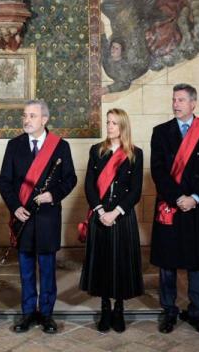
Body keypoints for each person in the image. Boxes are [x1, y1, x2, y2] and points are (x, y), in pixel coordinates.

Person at [0, 100, 77, 334]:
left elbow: (70, 179)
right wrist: (15, 207)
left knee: (48, 269)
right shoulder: (14, 145)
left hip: (47, 218)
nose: (26, 120)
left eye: (32, 116)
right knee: (26, 270)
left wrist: (53, 195)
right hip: (23, 217)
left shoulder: (60, 146)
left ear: (44, 119)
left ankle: (46, 314)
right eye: (25, 115)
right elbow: (4, 181)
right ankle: (27, 313)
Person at [149, 83, 199, 335]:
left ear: (193, 103)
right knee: (167, 264)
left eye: (181, 100)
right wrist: (178, 197)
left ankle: (197, 313)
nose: (176, 104)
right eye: (174, 100)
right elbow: (158, 170)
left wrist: (195, 198)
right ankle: (169, 311)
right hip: (171, 205)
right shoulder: (160, 132)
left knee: (196, 263)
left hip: (197, 207)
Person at [78, 108, 143, 333]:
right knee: (103, 263)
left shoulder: (135, 153)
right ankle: (105, 308)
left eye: (114, 123)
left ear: (123, 126)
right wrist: (99, 211)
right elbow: (89, 185)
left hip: (122, 217)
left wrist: (115, 212)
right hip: (99, 215)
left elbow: (135, 191)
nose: (109, 126)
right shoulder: (97, 150)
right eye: (107, 122)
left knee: (121, 263)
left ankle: (119, 309)